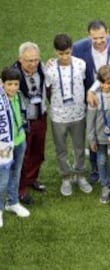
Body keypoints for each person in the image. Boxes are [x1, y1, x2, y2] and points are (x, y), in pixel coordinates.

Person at [72, 19, 110, 183]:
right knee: (95, 129)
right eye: (94, 38)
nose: (98, 41)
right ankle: (95, 167)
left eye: (101, 37)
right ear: (89, 36)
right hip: (92, 96)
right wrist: (90, 91)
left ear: (107, 33)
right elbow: (70, 63)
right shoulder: (79, 47)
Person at [45, 33, 92, 196]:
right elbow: (48, 91)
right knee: (61, 150)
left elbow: (84, 84)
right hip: (58, 116)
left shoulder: (81, 64)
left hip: (78, 115)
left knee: (79, 148)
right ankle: (66, 177)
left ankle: (80, 175)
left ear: (71, 49)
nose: (64, 57)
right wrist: (56, 106)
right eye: (60, 53)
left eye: (67, 53)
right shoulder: (50, 68)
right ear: (55, 52)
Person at [13, 42, 47, 204]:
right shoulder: (13, 75)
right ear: (20, 59)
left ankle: (32, 178)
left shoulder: (43, 68)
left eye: (35, 60)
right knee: (23, 156)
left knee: (38, 152)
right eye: (29, 61)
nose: (33, 64)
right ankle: (21, 188)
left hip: (40, 117)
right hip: (22, 122)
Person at [0, 67, 30, 228]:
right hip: (4, 145)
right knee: (3, 179)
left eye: (15, 84)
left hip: (20, 141)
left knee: (16, 173)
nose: (12, 88)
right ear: (2, 84)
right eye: (9, 84)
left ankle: (12, 202)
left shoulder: (18, 96)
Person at [86, 65, 110, 203]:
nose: (106, 86)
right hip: (100, 137)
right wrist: (91, 139)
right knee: (101, 160)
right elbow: (90, 121)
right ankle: (105, 185)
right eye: (103, 83)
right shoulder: (95, 98)